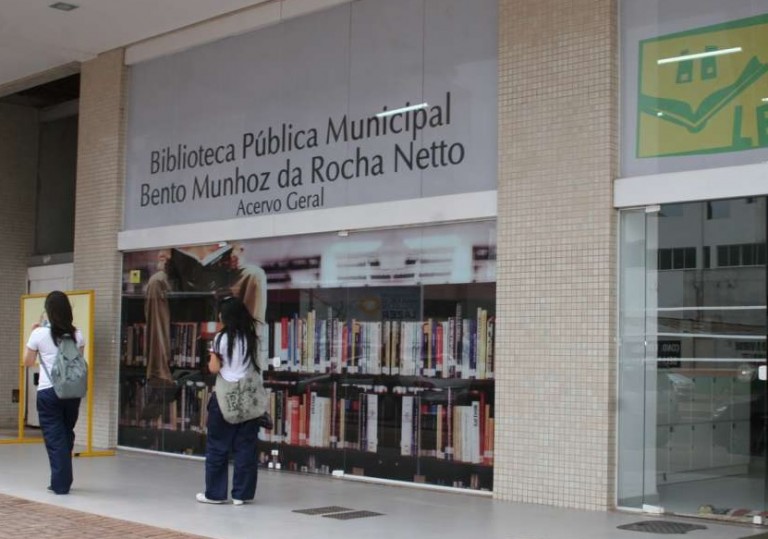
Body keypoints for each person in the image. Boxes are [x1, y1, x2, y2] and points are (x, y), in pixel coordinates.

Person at [197, 296, 262, 505]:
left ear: (226, 317)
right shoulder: (252, 338)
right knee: (246, 447)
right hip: (247, 398)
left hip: (225, 398)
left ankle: (215, 494)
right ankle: (241, 495)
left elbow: (214, 368)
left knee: (218, 446)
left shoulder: (220, 339)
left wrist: (211, 356)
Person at [23, 291, 85, 495]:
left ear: (48, 311)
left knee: (55, 437)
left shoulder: (39, 334)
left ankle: (61, 484)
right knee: (66, 433)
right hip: (72, 392)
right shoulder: (77, 334)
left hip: (49, 391)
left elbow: (28, 362)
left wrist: (33, 333)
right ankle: (62, 478)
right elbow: (76, 364)